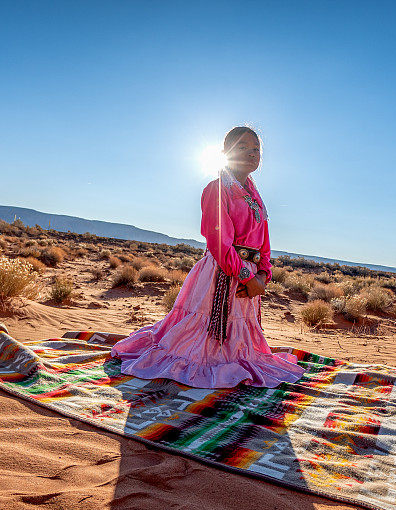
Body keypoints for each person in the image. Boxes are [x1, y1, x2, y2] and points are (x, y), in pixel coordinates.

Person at [111, 126, 305, 388]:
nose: (252, 153)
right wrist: (247, 276)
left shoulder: (255, 197)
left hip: (248, 279)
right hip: (221, 274)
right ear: (226, 152)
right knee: (202, 346)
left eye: (256, 149)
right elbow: (219, 241)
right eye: (243, 147)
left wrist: (263, 274)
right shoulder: (217, 189)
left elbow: (264, 243)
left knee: (240, 346)